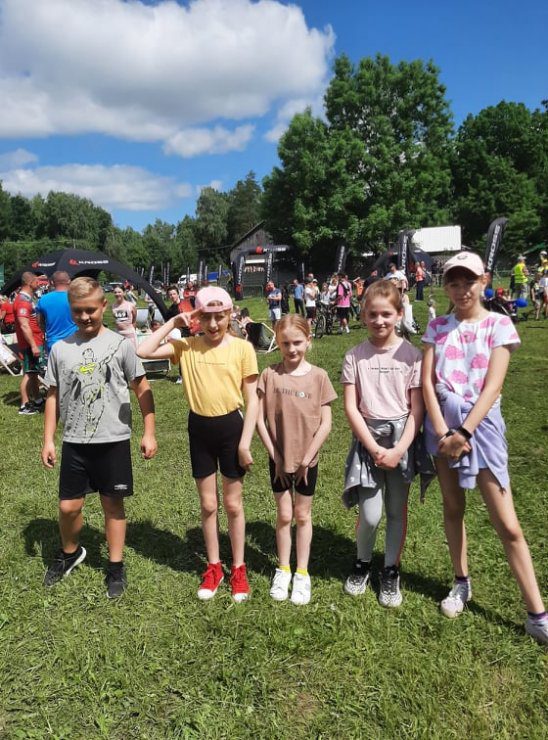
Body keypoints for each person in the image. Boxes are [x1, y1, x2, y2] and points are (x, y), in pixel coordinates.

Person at [421, 252, 547, 644]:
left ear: (484, 281)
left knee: (507, 524)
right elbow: (427, 383)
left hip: (481, 429)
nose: (462, 290)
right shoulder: (437, 326)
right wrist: (442, 432)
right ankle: (461, 581)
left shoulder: (499, 324)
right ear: (445, 287)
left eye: (469, 282)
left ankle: (537, 613)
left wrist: (464, 433)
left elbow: (493, 386)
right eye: (454, 283)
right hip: (443, 429)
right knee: (452, 508)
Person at [137, 287, 259, 602]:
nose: (214, 324)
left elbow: (253, 400)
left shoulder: (242, 349)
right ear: (197, 318)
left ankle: (239, 567)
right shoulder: (186, 346)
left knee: (233, 504)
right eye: (207, 317)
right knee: (208, 505)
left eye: (220, 317)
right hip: (200, 429)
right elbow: (143, 351)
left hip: (231, 429)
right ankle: (214, 566)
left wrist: (245, 442)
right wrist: (174, 321)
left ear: (230, 315)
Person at [41, 278, 157, 598]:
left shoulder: (121, 346)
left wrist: (149, 431)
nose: (85, 316)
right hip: (75, 441)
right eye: (78, 311)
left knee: (112, 505)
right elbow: (52, 396)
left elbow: (142, 388)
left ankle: (115, 566)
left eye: (91, 310)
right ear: (71, 310)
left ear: (104, 306)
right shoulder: (60, 349)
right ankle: (70, 553)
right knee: (68, 507)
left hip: (113, 440)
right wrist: (49, 438)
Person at [341, 280, 424, 607]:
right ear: (363, 316)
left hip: (403, 440)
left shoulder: (412, 355)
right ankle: (362, 562)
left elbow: (417, 409)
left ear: (399, 314)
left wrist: (399, 449)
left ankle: (391, 569)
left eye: (386, 314)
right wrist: (374, 448)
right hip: (368, 442)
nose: (379, 320)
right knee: (371, 514)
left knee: (396, 511)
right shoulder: (354, 356)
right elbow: (351, 407)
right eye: (373, 314)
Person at [256, 315, 336, 605]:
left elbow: (326, 423)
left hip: (307, 462)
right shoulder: (269, 375)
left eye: (297, 342)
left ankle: (302, 573)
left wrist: (307, 458)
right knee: (284, 515)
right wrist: (275, 456)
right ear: (277, 343)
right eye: (285, 343)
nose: (291, 349)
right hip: (278, 459)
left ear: (308, 341)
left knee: (302, 516)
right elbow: (259, 420)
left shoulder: (320, 377)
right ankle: (283, 569)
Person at [13, 272, 46, 415]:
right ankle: (24, 405)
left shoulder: (26, 298)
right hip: (30, 342)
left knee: (33, 372)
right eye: (36, 281)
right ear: (29, 282)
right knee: (28, 373)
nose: (38, 284)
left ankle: (37, 399)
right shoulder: (22, 301)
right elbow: (24, 325)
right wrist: (33, 345)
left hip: (34, 340)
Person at [36, 271, 77, 355]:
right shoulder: (76, 298)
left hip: (53, 343)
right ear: (69, 281)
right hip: (74, 342)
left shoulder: (43, 299)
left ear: (51, 282)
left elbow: (39, 322)